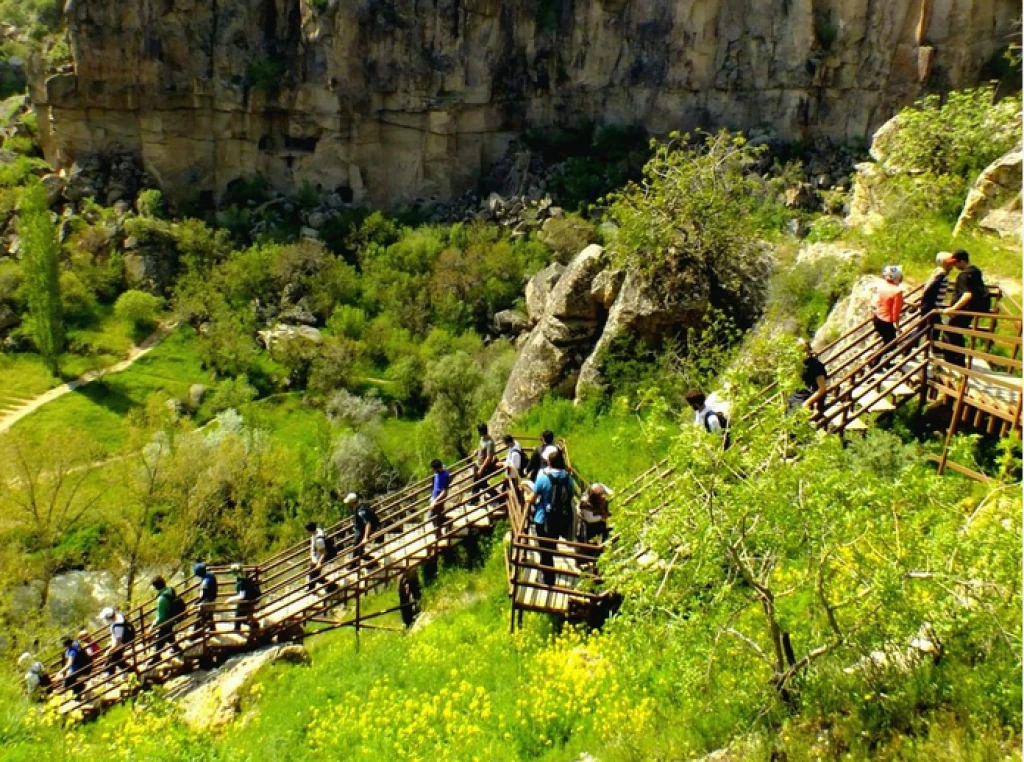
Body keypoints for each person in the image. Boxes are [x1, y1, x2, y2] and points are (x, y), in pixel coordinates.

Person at [527, 449, 575, 585]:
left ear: (549, 462)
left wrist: (526, 498)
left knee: (544, 550)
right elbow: (570, 495)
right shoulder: (568, 478)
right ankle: (548, 571)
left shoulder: (543, 478)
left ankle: (548, 579)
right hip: (560, 518)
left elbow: (532, 498)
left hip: (543, 518)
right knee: (551, 543)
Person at [941, 249, 990, 367]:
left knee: (950, 331)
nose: (954, 265)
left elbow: (968, 294)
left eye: (956, 262)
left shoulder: (964, 275)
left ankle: (955, 362)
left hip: (965, 309)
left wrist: (953, 308)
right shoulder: (975, 270)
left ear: (963, 261)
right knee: (955, 332)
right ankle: (957, 361)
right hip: (973, 308)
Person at [871, 265, 904, 367]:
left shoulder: (882, 287)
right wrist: (898, 327)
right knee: (892, 344)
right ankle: (874, 361)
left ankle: (879, 362)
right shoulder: (897, 291)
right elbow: (895, 312)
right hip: (886, 321)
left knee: (887, 342)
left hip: (877, 318)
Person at [787, 339, 828, 415]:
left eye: (803, 350)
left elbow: (822, 388)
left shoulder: (816, 365)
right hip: (798, 396)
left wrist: (807, 403)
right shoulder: (798, 365)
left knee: (796, 414)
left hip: (809, 396)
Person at [149, 575, 183, 666]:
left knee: (161, 638)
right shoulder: (170, 589)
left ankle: (156, 657)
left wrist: (153, 626)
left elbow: (161, 618)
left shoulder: (161, 599)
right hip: (173, 617)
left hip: (167, 620)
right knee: (168, 636)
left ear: (155, 587)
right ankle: (177, 650)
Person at [347, 493, 380, 571]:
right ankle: (371, 563)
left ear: (352, 502)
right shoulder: (358, 507)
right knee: (358, 549)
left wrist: (365, 537)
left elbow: (368, 523)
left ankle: (354, 564)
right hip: (360, 530)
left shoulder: (361, 511)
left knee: (357, 547)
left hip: (362, 531)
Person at [99, 606, 135, 676]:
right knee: (113, 658)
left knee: (117, 660)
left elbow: (118, 641)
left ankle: (132, 671)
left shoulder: (118, 626)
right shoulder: (119, 616)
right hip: (121, 641)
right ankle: (109, 672)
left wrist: (110, 649)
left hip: (121, 644)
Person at [226, 564, 261, 632]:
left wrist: (230, 599)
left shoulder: (242, 581)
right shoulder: (244, 576)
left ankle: (241, 628)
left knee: (239, 614)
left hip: (249, 598)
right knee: (240, 614)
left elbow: (242, 596)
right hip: (251, 596)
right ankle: (239, 628)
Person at [472, 423, 499, 504]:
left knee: (481, 483)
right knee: (476, 482)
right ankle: (475, 499)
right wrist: (476, 451)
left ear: (482, 431)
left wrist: (481, 469)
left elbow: (489, 458)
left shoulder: (490, 442)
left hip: (484, 466)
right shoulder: (482, 438)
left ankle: (496, 496)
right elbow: (480, 447)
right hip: (478, 463)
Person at [192, 562, 218, 636]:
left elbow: (204, 595)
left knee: (200, 616)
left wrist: (196, 603)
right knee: (209, 615)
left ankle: (196, 633)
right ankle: (212, 629)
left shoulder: (206, 582)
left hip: (207, 601)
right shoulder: (211, 575)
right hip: (213, 599)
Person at [305, 521, 330, 592]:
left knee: (315, 576)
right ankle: (311, 588)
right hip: (314, 558)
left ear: (310, 530)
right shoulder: (317, 531)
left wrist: (319, 563)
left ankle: (331, 585)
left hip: (318, 560)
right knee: (313, 575)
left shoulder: (319, 540)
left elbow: (324, 552)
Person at [428, 459, 450, 534]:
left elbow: (444, 491)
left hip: (439, 498)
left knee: (432, 516)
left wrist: (435, 501)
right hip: (435, 496)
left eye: (434, 469)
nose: (433, 471)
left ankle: (439, 533)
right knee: (438, 515)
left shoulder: (444, 475)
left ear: (437, 468)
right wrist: (432, 497)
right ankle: (448, 523)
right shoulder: (437, 473)